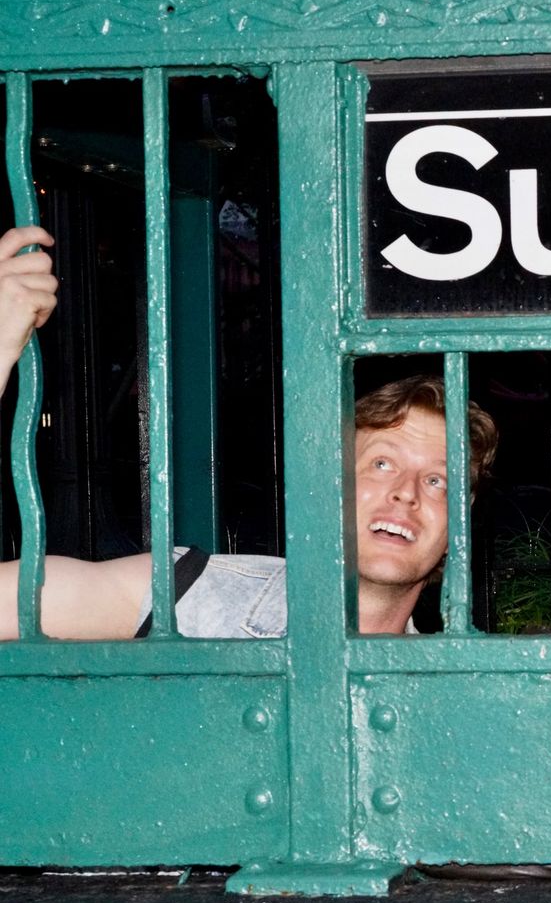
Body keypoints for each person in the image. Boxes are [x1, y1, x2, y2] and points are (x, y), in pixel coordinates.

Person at [0, 225, 498, 639]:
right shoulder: (189, 592)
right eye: (382, 463)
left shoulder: (451, 692)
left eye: (438, 481)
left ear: (458, 526)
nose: (407, 493)